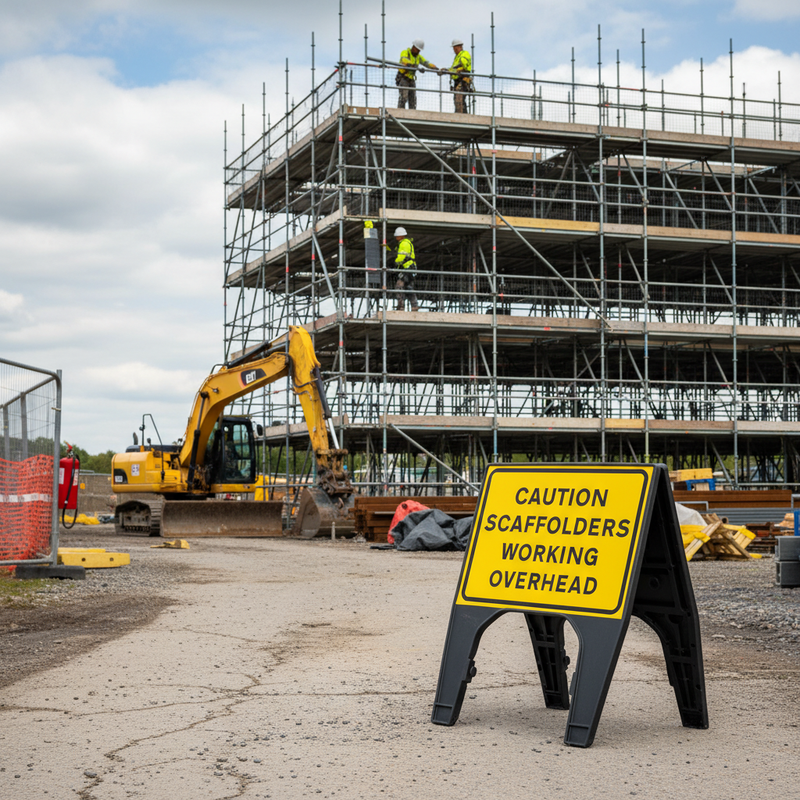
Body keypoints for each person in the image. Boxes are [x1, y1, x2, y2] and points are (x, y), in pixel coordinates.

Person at [396, 39, 438, 110]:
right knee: (404, 97)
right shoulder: (405, 52)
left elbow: (426, 63)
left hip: (411, 79)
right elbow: (404, 61)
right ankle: (400, 111)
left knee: (413, 99)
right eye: (417, 50)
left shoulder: (418, 57)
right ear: (413, 47)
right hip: (403, 78)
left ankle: (412, 112)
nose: (418, 51)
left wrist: (436, 68)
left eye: (419, 50)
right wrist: (414, 66)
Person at [390, 227, 419, 311]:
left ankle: (401, 306)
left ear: (401, 236)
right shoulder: (406, 242)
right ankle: (414, 306)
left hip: (407, 268)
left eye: (397, 236)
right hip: (410, 268)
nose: (396, 237)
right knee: (408, 287)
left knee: (399, 286)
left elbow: (401, 257)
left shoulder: (404, 243)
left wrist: (395, 262)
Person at [440, 39, 472, 113]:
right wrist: (446, 70)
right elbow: (454, 68)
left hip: (463, 79)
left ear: (460, 47)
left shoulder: (464, 54)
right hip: (457, 81)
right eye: (454, 48)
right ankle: (460, 114)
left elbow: (464, 67)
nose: (454, 50)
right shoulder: (457, 57)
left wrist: (453, 71)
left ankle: (462, 115)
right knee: (457, 99)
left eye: (455, 48)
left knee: (460, 99)